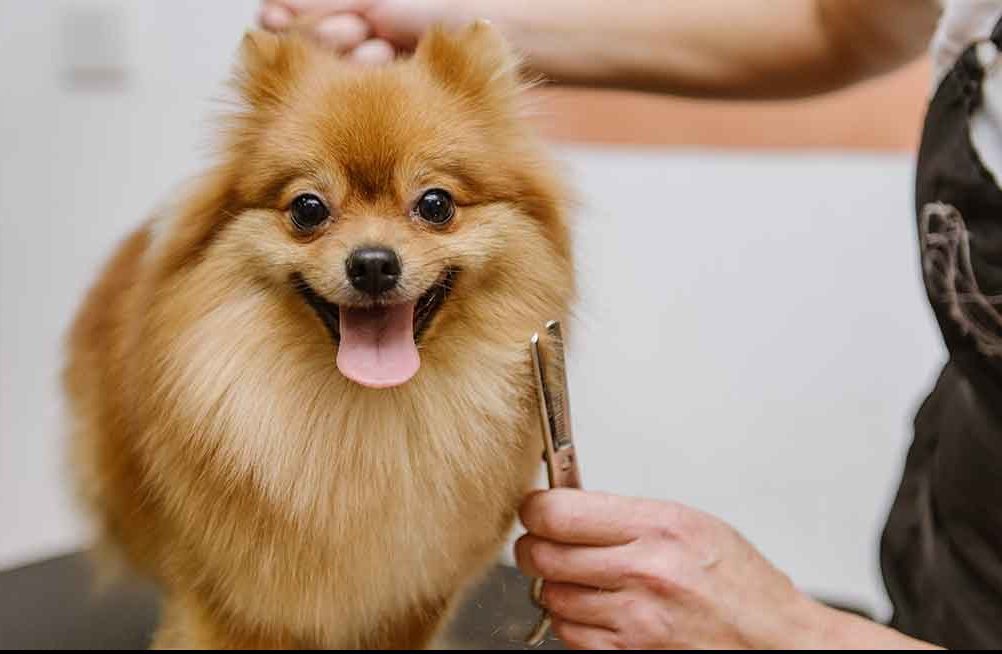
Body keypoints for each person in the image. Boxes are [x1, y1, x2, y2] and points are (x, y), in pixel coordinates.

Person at [260, 1, 1002, 649]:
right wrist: (455, 20)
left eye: (434, 206)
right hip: (959, 525)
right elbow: (841, 25)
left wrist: (790, 631)